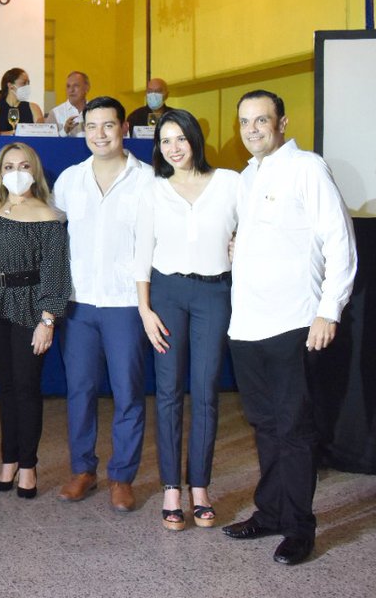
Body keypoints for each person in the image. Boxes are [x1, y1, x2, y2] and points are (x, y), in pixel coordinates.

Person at [221, 90, 356, 566]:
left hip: (294, 319)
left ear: (282, 122)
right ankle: (272, 512)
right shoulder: (247, 176)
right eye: (245, 121)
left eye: (261, 120)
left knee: (294, 429)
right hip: (247, 324)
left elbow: (339, 241)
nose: (252, 129)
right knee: (264, 426)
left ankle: (300, 527)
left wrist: (328, 310)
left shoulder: (308, 168)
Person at [133, 109, 239, 531]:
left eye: (180, 138)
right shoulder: (154, 191)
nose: (173, 148)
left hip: (214, 293)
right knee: (168, 392)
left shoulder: (229, 183)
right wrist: (145, 310)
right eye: (165, 141)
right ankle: (171, 490)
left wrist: (240, 244)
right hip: (167, 295)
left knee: (207, 391)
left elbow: (256, 228)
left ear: (195, 138)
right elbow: (141, 254)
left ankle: (200, 487)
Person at [49, 96, 154, 512]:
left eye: (108, 125)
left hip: (126, 303)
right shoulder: (70, 180)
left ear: (124, 128)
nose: (99, 134)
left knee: (128, 391)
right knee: (80, 390)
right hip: (78, 303)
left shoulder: (147, 179)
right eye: (91, 127)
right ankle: (83, 470)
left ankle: (122, 476)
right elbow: (52, 236)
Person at [0, 142, 70, 499]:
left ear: (35, 171)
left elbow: (55, 271)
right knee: (6, 388)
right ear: (0, 172)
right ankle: (8, 460)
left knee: (27, 387)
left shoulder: (48, 217)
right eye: (9, 166)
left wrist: (48, 320)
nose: (16, 172)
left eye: (24, 166)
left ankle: (28, 465)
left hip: (30, 306)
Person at [0, 68, 43, 136]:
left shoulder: (34, 107)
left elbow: (41, 132)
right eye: (24, 83)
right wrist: (11, 133)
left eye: (28, 83)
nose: (27, 87)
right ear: (10, 85)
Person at [48, 71, 91, 137]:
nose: (71, 90)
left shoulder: (96, 111)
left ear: (87, 88)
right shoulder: (55, 113)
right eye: (68, 86)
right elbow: (48, 142)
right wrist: (64, 131)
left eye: (76, 85)